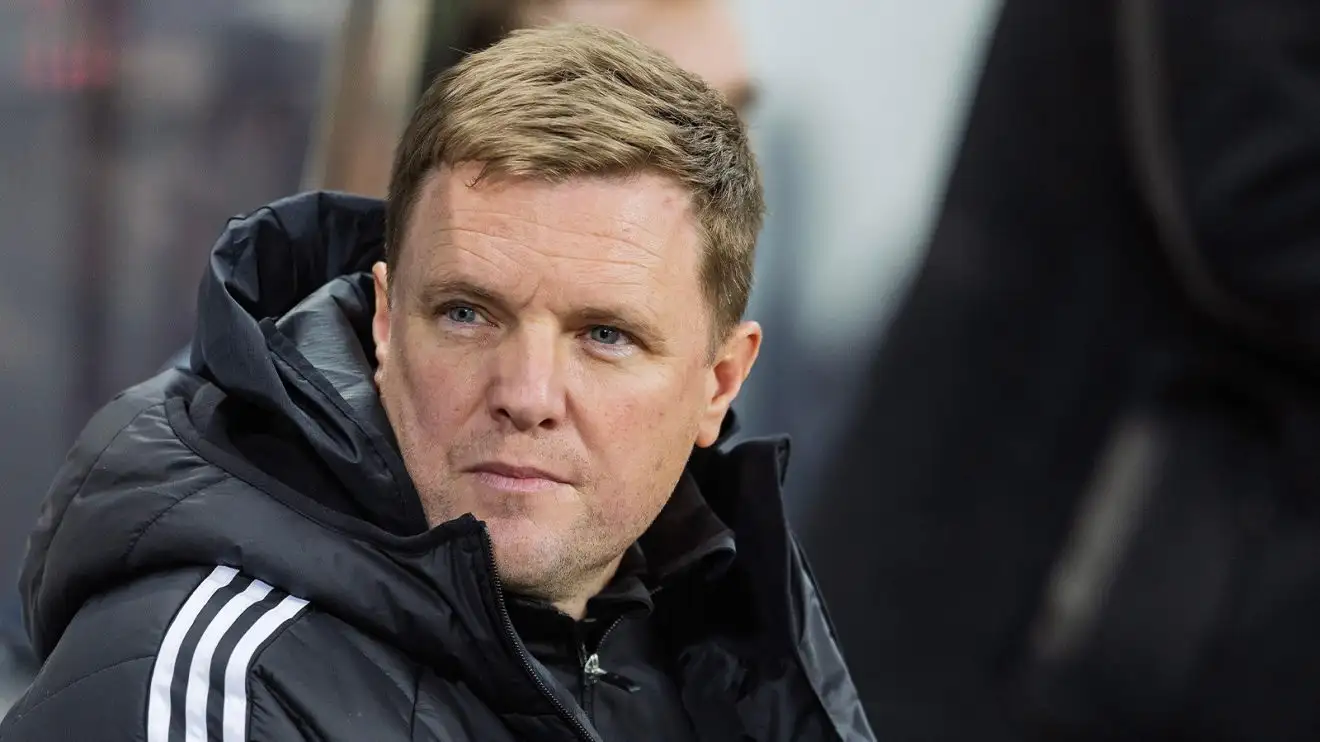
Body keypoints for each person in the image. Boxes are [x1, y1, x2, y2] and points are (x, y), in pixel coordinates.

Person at [0, 25, 872, 742]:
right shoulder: (206, 692)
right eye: (467, 314)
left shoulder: (718, 662)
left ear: (720, 382)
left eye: (604, 336)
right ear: (383, 323)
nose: (526, 394)